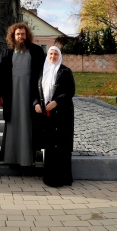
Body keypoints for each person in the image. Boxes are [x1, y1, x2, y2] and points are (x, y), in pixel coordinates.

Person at [0, 23, 45, 167]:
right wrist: (0, 95)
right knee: (12, 122)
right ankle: (10, 158)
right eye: (18, 34)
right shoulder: (7, 52)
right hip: (12, 94)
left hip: (30, 94)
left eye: (23, 34)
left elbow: (42, 74)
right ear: (13, 36)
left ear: (27, 35)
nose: (21, 37)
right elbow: (1, 75)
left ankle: (26, 159)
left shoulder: (36, 51)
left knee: (28, 123)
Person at [34, 46, 75, 187]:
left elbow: (70, 91)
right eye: (50, 54)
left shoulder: (65, 71)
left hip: (62, 114)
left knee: (61, 146)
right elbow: (35, 91)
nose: (53, 56)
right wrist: (35, 104)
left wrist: (56, 102)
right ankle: (50, 178)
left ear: (60, 56)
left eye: (56, 54)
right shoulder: (42, 71)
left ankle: (63, 178)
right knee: (50, 146)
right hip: (47, 114)